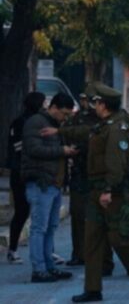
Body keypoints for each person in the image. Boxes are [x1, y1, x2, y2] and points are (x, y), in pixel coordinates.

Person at [53, 84, 129, 302]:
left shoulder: (117, 127)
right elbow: (84, 131)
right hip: (96, 190)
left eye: (96, 103)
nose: (93, 107)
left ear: (103, 105)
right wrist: (59, 130)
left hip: (112, 192)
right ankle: (93, 289)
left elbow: (115, 163)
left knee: (119, 239)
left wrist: (108, 189)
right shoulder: (103, 125)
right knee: (92, 240)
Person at [21, 92, 77, 282]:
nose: (65, 118)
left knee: (51, 227)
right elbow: (33, 149)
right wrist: (61, 151)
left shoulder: (55, 125)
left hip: (54, 183)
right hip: (41, 182)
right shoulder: (36, 122)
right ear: (53, 108)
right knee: (39, 228)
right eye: (64, 113)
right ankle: (39, 269)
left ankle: (49, 266)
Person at [62, 88, 116, 275]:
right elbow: (68, 133)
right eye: (84, 100)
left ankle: (109, 258)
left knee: (108, 219)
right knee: (78, 214)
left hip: (101, 175)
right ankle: (80, 253)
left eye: (91, 100)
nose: (88, 104)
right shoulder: (78, 118)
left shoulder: (110, 119)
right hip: (81, 171)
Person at [5, 92, 46, 264]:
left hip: (29, 171)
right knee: (23, 211)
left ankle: (44, 251)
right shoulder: (23, 123)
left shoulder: (35, 121)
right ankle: (13, 249)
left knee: (37, 212)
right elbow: (18, 147)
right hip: (23, 171)